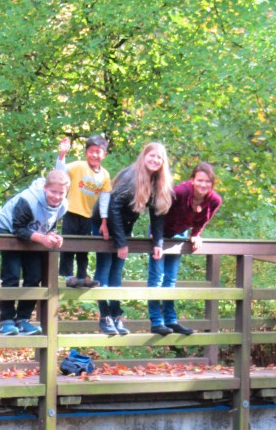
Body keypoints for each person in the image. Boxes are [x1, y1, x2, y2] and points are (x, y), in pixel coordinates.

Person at [92, 141, 172, 335]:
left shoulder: (156, 182)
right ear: (144, 157)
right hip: (104, 223)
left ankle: (116, 314)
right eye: (151, 155)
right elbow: (113, 208)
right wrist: (121, 242)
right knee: (104, 269)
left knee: (117, 271)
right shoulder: (131, 177)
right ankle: (105, 317)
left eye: (159, 157)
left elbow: (157, 214)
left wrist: (158, 243)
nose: (155, 160)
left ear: (163, 162)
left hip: (123, 227)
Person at [147, 162, 222, 335]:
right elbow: (158, 210)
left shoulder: (214, 200)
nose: (203, 185)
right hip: (160, 232)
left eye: (207, 182)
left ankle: (170, 321)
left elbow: (205, 219)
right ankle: (157, 322)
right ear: (192, 180)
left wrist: (196, 234)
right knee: (157, 277)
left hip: (180, 234)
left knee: (170, 280)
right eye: (200, 180)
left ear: (212, 183)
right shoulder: (180, 193)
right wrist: (157, 237)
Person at [0, 169, 70, 335]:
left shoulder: (63, 205)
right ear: (45, 188)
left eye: (61, 193)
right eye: (53, 192)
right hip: (10, 230)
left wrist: (52, 235)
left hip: (33, 232)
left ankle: (23, 320)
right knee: (12, 275)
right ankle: (6, 321)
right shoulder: (28, 201)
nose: (57, 197)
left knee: (35, 276)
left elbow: (49, 223)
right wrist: (42, 238)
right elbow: (18, 228)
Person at [55, 134, 112, 289]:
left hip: (88, 215)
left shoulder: (105, 175)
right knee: (68, 244)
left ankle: (82, 276)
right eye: (91, 151)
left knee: (83, 248)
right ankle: (68, 276)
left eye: (98, 152)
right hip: (71, 211)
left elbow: (105, 201)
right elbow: (59, 173)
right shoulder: (79, 166)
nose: (94, 155)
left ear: (104, 155)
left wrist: (104, 221)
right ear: (86, 153)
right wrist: (62, 154)